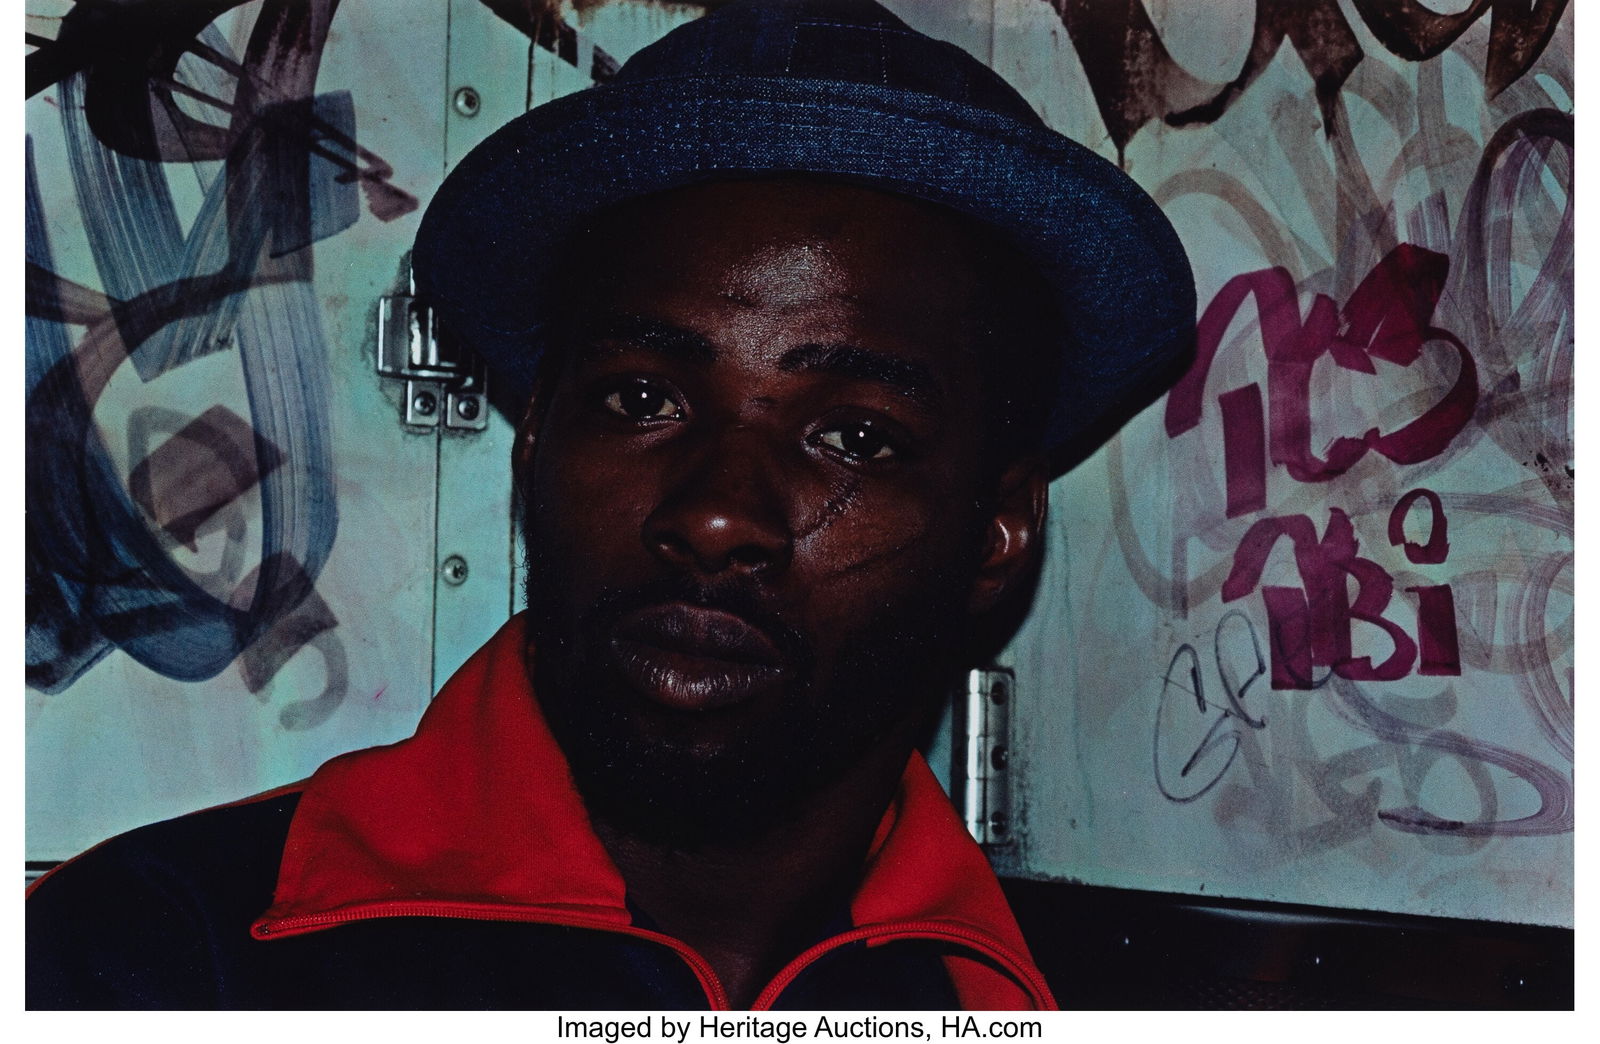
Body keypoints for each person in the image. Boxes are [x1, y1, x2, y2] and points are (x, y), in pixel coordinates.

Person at [26, 0, 1193, 1009]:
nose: (718, 514)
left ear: (997, 534)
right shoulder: (164, 958)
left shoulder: (1049, 993)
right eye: (642, 398)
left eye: (854, 436)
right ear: (535, 443)